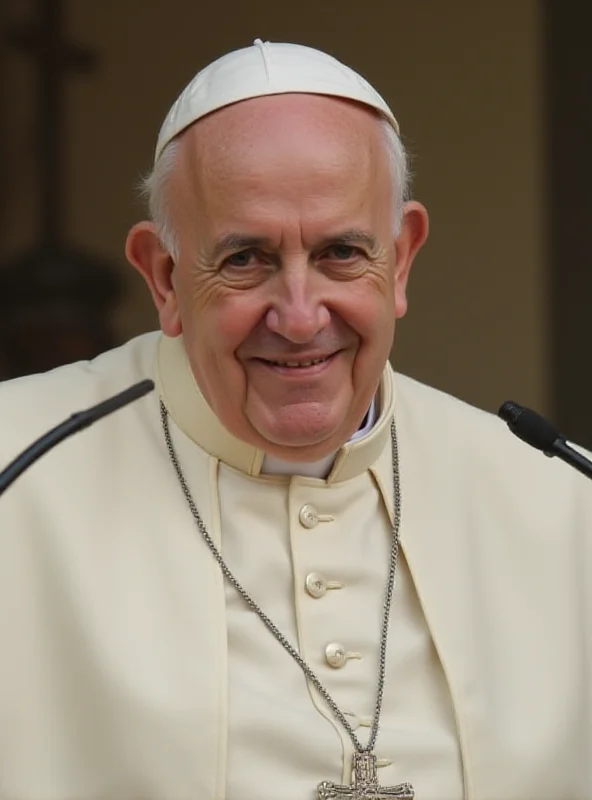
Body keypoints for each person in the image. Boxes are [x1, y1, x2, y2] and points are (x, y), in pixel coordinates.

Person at [0, 39, 591, 800]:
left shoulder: (559, 498)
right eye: (245, 259)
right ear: (164, 276)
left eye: (343, 252)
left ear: (402, 259)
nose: (302, 316)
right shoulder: (17, 470)